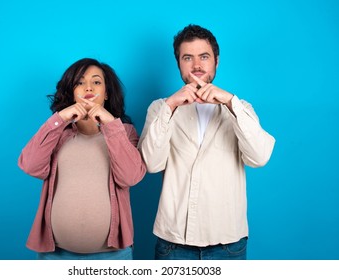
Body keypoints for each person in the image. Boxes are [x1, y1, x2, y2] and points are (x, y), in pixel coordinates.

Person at [138, 24, 275, 260]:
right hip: (173, 243)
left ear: (216, 61)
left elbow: (259, 157)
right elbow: (151, 163)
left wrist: (230, 102)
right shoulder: (160, 108)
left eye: (204, 57)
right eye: (187, 58)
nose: (197, 65)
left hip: (228, 243)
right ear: (179, 64)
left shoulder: (241, 108)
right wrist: (170, 107)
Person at [18, 58, 146, 260]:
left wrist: (111, 125)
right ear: (72, 92)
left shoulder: (125, 132)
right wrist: (60, 118)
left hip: (112, 258)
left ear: (106, 94)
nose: (88, 87)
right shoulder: (58, 134)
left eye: (96, 82)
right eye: (79, 82)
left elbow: (130, 177)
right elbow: (30, 165)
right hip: (55, 256)